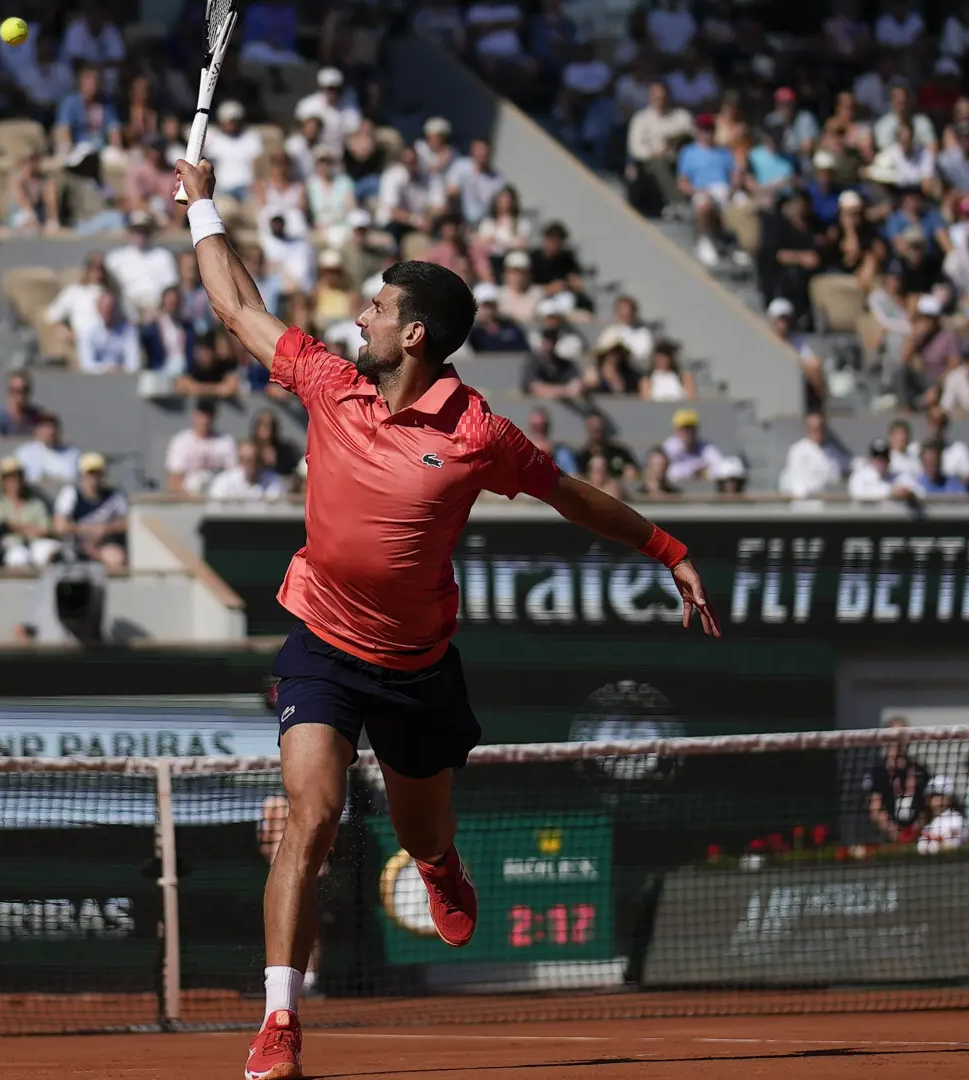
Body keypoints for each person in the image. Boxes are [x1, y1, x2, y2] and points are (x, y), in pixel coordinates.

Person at [174, 157, 716, 1080]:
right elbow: (236, 309)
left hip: (417, 665)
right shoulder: (326, 383)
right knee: (312, 815)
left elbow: (571, 498)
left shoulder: (477, 434)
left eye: (376, 308)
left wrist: (667, 548)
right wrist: (203, 209)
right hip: (320, 644)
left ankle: (437, 862)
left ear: (414, 333)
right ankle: (279, 1021)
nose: (360, 316)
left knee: (423, 831)